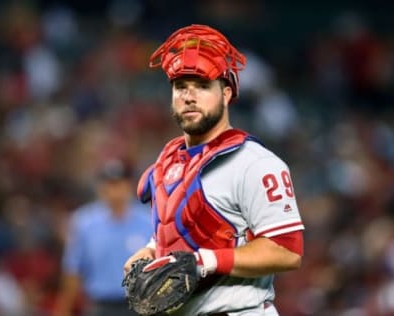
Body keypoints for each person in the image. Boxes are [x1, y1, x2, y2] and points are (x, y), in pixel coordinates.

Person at [123, 24, 305, 315]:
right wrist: (150, 251)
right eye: (181, 87)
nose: (189, 96)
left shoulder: (255, 163)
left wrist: (205, 261)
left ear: (227, 93)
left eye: (203, 85)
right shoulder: (168, 161)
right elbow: (175, 233)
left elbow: (286, 251)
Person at [54, 158, 153, 316]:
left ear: (129, 185)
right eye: (109, 184)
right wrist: (64, 309)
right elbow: (73, 270)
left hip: (141, 304)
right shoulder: (84, 222)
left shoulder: (148, 220)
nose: (114, 191)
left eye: (119, 184)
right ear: (101, 187)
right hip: (100, 305)